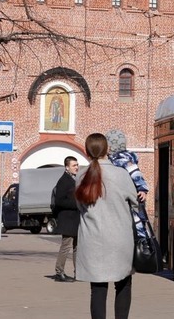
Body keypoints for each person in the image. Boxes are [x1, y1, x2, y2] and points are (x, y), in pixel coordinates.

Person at [75, 133, 139, 319]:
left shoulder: (80, 176)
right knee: (124, 283)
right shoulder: (120, 174)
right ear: (107, 149)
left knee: (97, 288)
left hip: (92, 240)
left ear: (86, 151)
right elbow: (135, 202)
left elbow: (80, 206)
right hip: (120, 239)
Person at [105, 129, 150, 237]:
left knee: (137, 224)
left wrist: (142, 189)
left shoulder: (122, 159)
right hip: (128, 198)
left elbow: (135, 173)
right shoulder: (115, 159)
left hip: (131, 200)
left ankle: (143, 243)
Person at [52, 156, 80, 282]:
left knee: (77, 247)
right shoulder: (64, 181)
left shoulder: (74, 179)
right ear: (67, 167)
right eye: (74, 165)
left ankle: (78, 272)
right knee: (66, 246)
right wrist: (77, 204)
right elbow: (59, 201)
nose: (76, 167)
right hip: (67, 219)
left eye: (77, 165)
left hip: (75, 219)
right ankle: (59, 272)